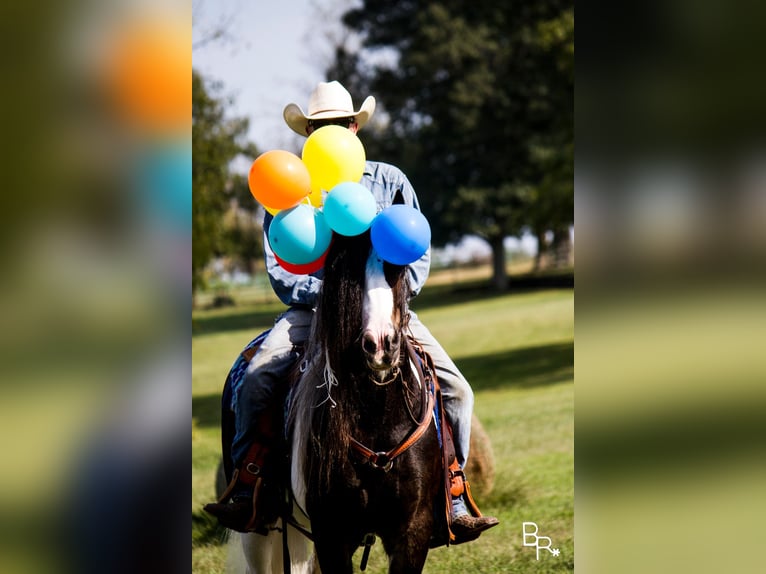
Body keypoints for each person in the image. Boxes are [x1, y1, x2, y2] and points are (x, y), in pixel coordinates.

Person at [205, 81, 498, 540]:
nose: (329, 133)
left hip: (384, 310)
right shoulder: (288, 188)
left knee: (458, 390)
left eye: (338, 124)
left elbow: (416, 251)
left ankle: (454, 493)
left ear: (355, 126)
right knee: (260, 375)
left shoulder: (391, 181)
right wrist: (337, 302)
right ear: (307, 133)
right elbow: (280, 272)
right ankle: (249, 486)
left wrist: (386, 297)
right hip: (311, 313)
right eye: (318, 127)